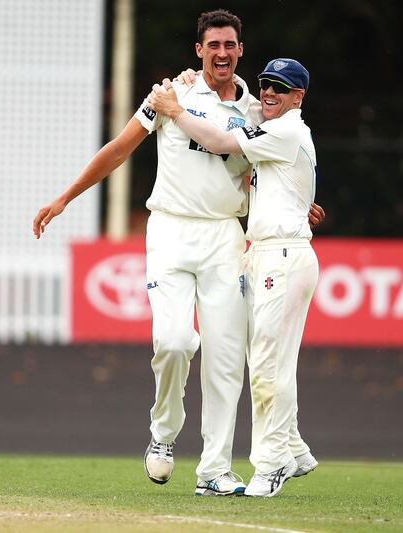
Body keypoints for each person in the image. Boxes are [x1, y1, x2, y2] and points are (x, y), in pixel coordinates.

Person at [33, 10, 322, 496]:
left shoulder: (255, 108)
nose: (223, 54)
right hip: (169, 230)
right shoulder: (171, 95)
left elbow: (267, 168)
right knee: (172, 341)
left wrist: (298, 204)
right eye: (214, 46)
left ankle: (213, 470)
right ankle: (164, 434)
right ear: (199, 51)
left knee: (227, 358)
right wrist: (65, 197)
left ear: (240, 51)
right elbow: (120, 149)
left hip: (227, 238)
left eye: (230, 45)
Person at [148, 57, 319, 497]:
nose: (269, 92)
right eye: (266, 84)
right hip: (263, 253)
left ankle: (272, 462)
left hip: (279, 254)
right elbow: (264, 175)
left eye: (281, 88)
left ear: (298, 96)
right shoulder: (273, 128)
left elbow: (222, 142)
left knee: (265, 363)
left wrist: (176, 110)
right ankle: (295, 450)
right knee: (265, 360)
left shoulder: (283, 128)